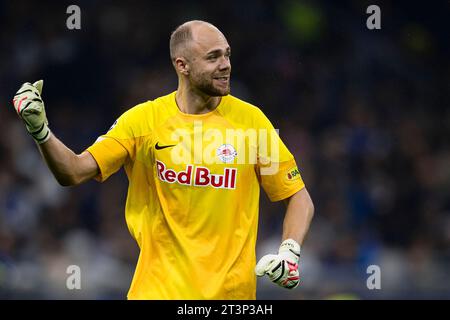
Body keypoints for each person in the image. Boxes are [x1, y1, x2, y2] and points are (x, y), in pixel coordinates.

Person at [11, 20, 314, 299]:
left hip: (231, 298)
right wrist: (40, 131)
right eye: (213, 58)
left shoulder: (252, 124)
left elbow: (298, 196)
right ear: (182, 65)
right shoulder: (143, 122)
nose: (225, 66)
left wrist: (289, 251)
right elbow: (74, 172)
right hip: (157, 292)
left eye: (227, 55)